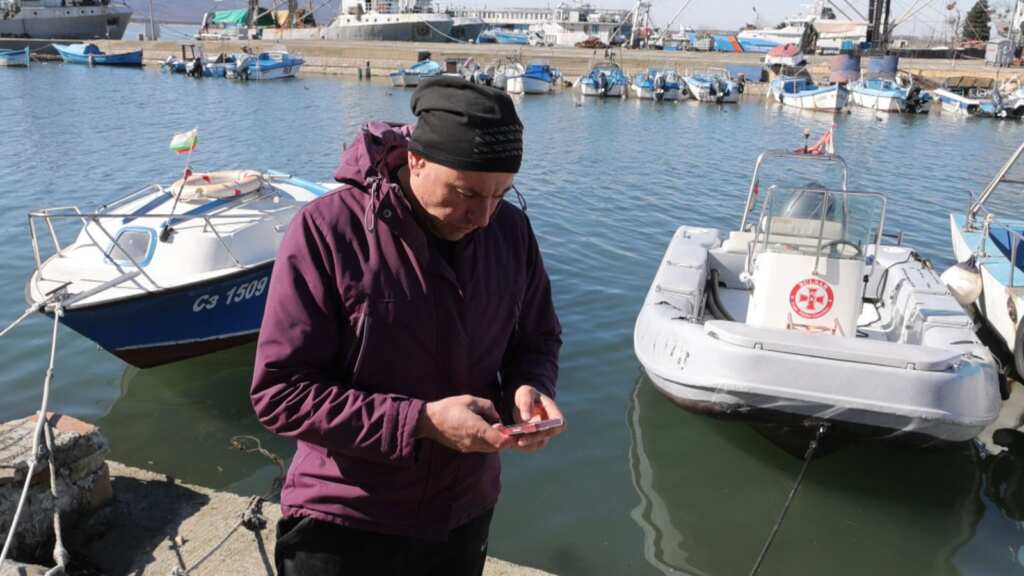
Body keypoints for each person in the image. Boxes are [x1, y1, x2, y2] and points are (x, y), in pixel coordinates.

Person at [250, 75, 564, 576]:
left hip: (463, 513)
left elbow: (538, 338)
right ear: (416, 159)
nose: (483, 216)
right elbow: (280, 394)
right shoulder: (327, 230)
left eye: (500, 194)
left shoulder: (512, 232)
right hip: (345, 518)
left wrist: (531, 386)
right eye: (466, 193)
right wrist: (420, 422)